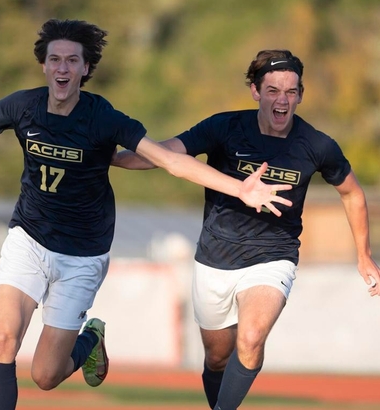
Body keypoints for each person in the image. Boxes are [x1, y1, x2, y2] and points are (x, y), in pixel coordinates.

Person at [0, 22, 293, 410]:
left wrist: (240, 188)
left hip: (82, 253)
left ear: (86, 68)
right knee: (2, 337)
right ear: (44, 66)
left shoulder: (104, 118)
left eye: (72, 61)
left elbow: (170, 161)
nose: (62, 68)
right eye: (55, 59)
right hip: (28, 237)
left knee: (45, 375)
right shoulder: (22, 106)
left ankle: (89, 339)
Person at [112, 49, 380, 410]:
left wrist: (363, 255)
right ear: (255, 91)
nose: (282, 100)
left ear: (300, 95)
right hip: (215, 258)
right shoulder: (224, 128)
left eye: (291, 91)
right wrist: (115, 159)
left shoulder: (317, 145)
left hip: (273, 257)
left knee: (251, 338)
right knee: (216, 358)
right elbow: (167, 154)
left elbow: (352, 193)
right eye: (273, 91)